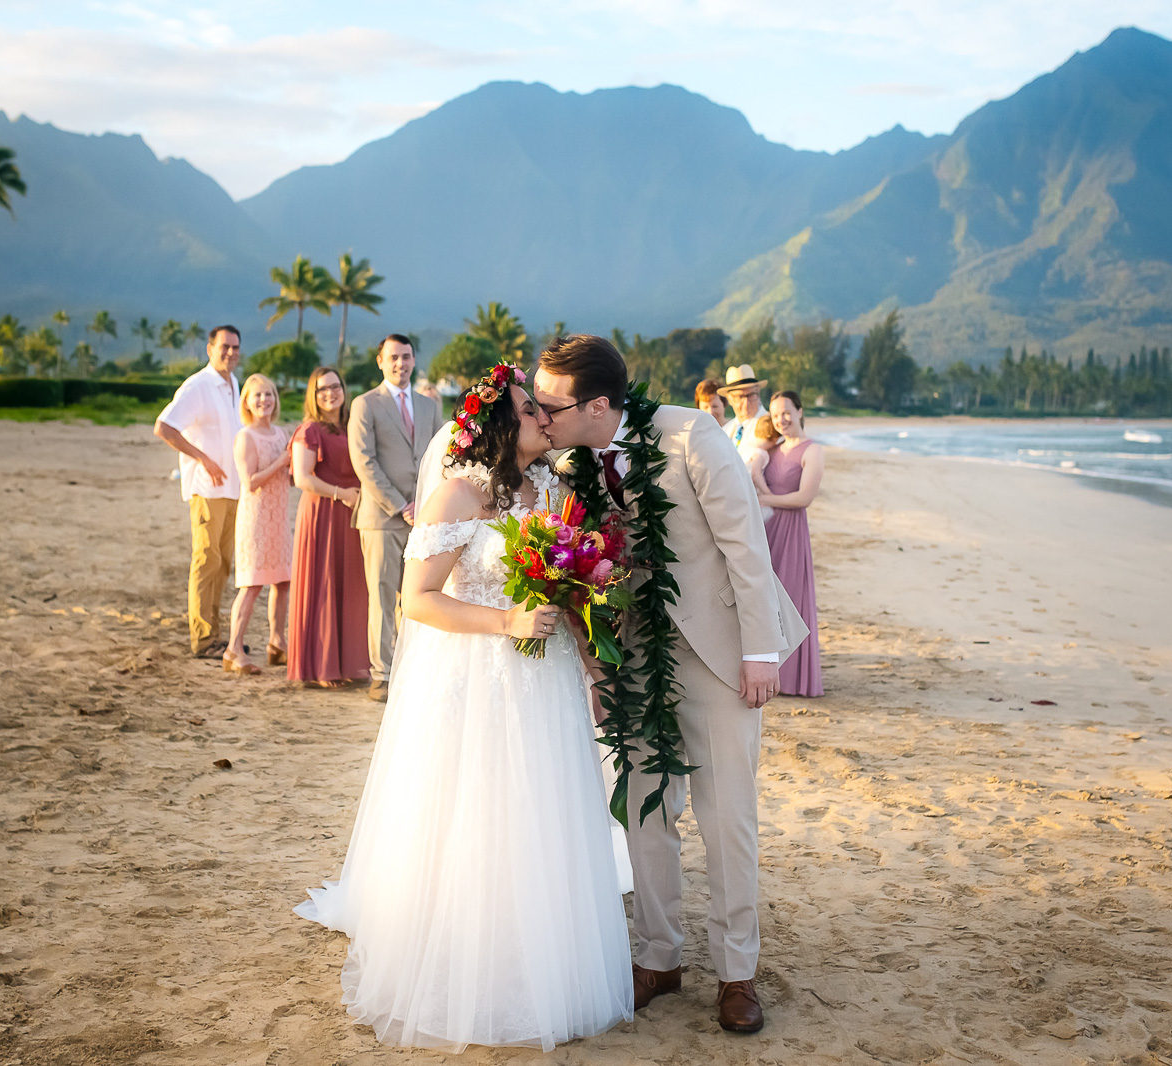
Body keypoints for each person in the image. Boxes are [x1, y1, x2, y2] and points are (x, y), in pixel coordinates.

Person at [296, 364, 633, 1051]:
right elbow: (417, 600)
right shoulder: (457, 494)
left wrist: (591, 658)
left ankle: (541, 958)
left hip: (547, 680)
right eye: (530, 409)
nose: (545, 417)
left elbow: (566, 587)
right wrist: (506, 622)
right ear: (502, 425)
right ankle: (472, 962)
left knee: (543, 810)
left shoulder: (553, 489)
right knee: (479, 812)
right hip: (478, 675)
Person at [532, 335, 806, 1036]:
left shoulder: (690, 436)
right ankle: (658, 957)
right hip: (632, 656)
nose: (540, 415)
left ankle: (737, 972)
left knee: (726, 817)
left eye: (550, 405)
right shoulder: (567, 463)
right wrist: (597, 667)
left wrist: (761, 652)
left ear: (598, 406)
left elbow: (744, 544)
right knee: (644, 812)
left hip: (721, 653)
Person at [348, 335, 444, 701]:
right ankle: (382, 675)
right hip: (382, 517)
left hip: (424, 518)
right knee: (383, 597)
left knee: (419, 598)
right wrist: (400, 505)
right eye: (393, 357)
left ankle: (411, 671)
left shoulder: (428, 405)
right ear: (380, 361)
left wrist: (426, 504)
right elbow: (364, 461)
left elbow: (441, 456)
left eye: (405, 356)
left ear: (414, 360)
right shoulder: (365, 404)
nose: (400, 363)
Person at [153, 325, 243, 658]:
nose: (230, 352)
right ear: (210, 349)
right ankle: (203, 639)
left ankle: (216, 635)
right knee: (207, 560)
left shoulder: (234, 384)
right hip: (207, 488)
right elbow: (164, 427)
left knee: (224, 563)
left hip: (234, 488)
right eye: (224, 346)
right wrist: (203, 458)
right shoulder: (198, 385)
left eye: (235, 347)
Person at [288, 367, 369, 688]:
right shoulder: (309, 430)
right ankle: (322, 667)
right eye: (322, 389)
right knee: (324, 584)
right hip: (322, 513)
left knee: (350, 586)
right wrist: (341, 494)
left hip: (352, 516)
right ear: (313, 395)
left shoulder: (353, 426)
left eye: (335, 386)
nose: (330, 393)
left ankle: (349, 663)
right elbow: (302, 478)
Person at [756, 390, 824, 698]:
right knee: (765, 600)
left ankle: (792, 678)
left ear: (799, 411)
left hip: (791, 532)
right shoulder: (772, 448)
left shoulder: (813, 450)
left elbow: (804, 498)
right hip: (764, 530)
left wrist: (765, 499)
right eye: (774, 415)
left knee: (791, 600)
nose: (781, 419)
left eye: (786, 412)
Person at [224, 374, 293, 676]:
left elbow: (288, 476)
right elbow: (249, 482)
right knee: (251, 585)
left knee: (283, 582)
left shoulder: (282, 434)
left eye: (269, 394)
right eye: (257, 395)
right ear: (247, 403)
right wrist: (282, 462)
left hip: (280, 517)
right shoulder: (245, 437)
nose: (264, 400)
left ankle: (277, 642)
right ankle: (233, 649)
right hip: (256, 520)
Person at [716, 363, 766, 455]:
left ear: (758, 394)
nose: (746, 402)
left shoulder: (770, 426)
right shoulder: (725, 431)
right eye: (740, 396)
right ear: (729, 399)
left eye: (750, 395)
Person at [745, 414, 781, 523]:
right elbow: (756, 475)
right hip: (750, 490)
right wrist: (768, 493)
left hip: (741, 487)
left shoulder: (748, 446)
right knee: (767, 514)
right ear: (775, 439)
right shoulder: (760, 454)